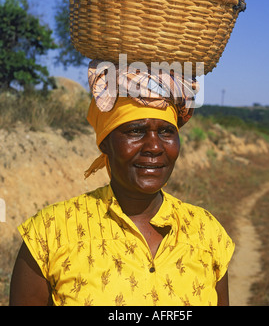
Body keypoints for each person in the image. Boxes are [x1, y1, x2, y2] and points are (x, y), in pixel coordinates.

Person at [10, 68, 234, 306]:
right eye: (136, 131)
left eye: (167, 131)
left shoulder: (207, 233)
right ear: (105, 142)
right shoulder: (50, 232)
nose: (154, 147)